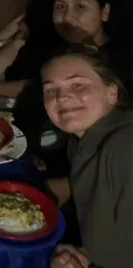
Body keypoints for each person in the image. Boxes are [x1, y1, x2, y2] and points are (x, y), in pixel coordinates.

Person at [0, 0, 130, 175]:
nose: (67, 16)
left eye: (80, 7)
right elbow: (32, 94)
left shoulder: (122, 62)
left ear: (105, 12)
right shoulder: (58, 51)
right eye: (60, 7)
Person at [40, 50, 133, 268]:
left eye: (77, 85)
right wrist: (88, 255)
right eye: (51, 90)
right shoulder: (81, 142)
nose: (61, 97)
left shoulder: (124, 148)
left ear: (111, 93)